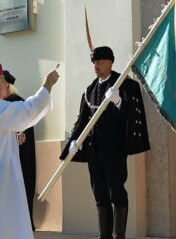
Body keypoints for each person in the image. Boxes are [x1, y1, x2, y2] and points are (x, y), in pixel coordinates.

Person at [59, 46, 150, 239]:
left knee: (116, 191)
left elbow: (131, 114)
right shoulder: (90, 90)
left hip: (115, 150)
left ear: (110, 62)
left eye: (99, 62)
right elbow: (82, 120)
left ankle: (119, 235)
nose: (96, 66)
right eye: (94, 63)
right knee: (99, 193)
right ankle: (105, 235)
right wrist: (75, 140)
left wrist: (118, 101)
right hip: (94, 151)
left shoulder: (124, 85)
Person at [0, 60, 59, 239]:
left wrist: (12, 139)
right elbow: (29, 111)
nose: (7, 84)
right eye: (2, 80)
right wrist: (47, 85)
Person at [3, 70, 37, 231]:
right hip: (3, 157)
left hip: (19, 157)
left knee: (21, 189)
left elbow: (24, 129)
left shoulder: (18, 103)